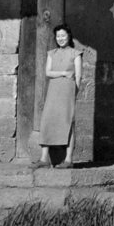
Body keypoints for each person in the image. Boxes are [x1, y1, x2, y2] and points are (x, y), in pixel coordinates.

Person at [35, 23, 82, 169]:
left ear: (69, 36)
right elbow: (48, 72)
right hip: (53, 91)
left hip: (68, 91)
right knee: (47, 120)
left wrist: (74, 93)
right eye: (58, 36)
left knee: (68, 123)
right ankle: (44, 159)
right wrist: (63, 73)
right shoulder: (52, 53)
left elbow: (78, 76)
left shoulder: (76, 53)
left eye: (63, 35)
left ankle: (68, 160)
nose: (60, 38)